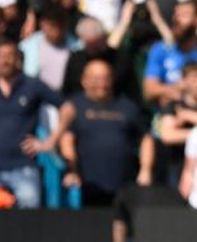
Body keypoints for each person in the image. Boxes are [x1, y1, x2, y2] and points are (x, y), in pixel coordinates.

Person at [60, 60, 154, 206]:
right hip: (87, 185)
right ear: (84, 80)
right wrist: (72, 170)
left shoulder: (128, 106)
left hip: (125, 184)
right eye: (96, 78)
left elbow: (146, 138)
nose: (102, 83)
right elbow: (67, 140)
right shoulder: (74, 107)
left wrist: (146, 170)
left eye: (106, 78)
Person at [0, 38, 68, 208]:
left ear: (18, 59)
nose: (5, 60)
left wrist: (49, 142)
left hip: (24, 167)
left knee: (29, 219)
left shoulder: (32, 85)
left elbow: (68, 108)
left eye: (9, 56)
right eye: (0, 56)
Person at [142, 0, 197, 108]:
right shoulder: (160, 50)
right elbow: (149, 90)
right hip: (169, 116)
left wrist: (190, 91)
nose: (177, 19)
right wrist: (176, 88)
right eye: (176, 15)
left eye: (184, 15)